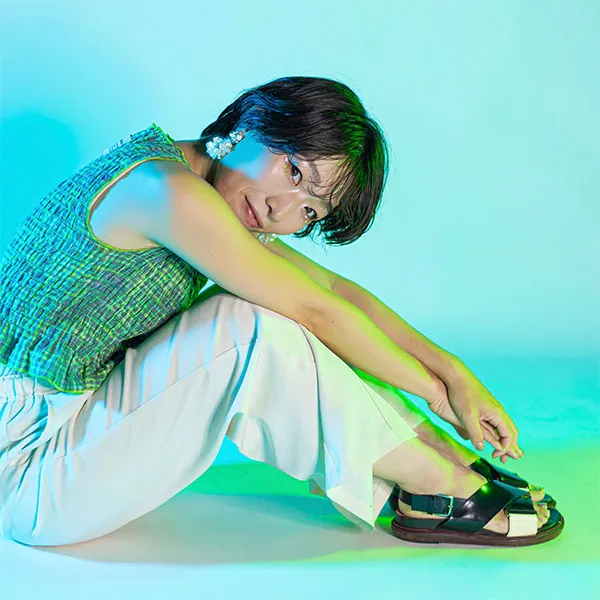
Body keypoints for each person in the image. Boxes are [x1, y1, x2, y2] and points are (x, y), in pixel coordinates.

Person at [0, 76, 563, 548]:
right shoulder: (165, 189)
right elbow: (315, 310)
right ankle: (433, 479)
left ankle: (435, 454)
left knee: (250, 308)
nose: (281, 211)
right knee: (246, 327)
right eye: (294, 172)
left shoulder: (203, 187)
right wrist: (437, 395)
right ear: (250, 125)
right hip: (24, 469)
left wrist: (455, 373)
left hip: (72, 421)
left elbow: (335, 290)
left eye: (311, 211)